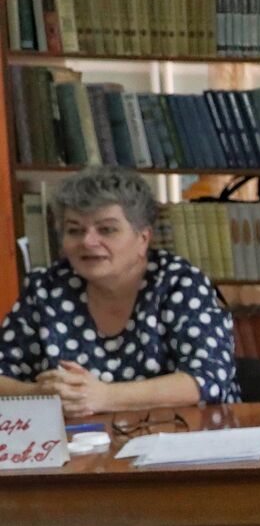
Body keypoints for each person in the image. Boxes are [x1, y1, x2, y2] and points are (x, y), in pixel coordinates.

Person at [0, 166, 239, 416]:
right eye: (75, 230)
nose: (88, 241)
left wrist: (105, 397)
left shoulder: (179, 283)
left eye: (107, 229)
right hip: (79, 446)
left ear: (143, 238)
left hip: (181, 441)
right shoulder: (46, 288)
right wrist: (40, 395)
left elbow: (207, 380)